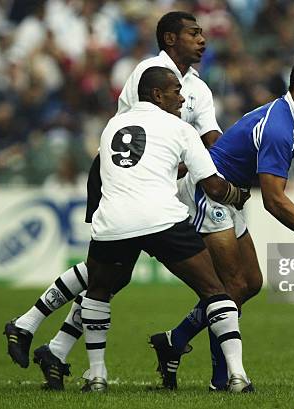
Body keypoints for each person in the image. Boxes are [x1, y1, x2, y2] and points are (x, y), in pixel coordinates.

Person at [3, 11, 221, 390]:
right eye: (193, 33)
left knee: (109, 276)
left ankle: (44, 339)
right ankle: (31, 327)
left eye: (202, 33)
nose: (202, 39)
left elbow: (211, 138)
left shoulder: (198, 89)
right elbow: (141, 132)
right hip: (119, 172)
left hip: (151, 182)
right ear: (170, 39)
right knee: (104, 272)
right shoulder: (149, 71)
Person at [153, 57, 294, 391]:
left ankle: (175, 339)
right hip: (208, 191)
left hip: (232, 196)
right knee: (230, 285)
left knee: (249, 284)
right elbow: (274, 200)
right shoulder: (277, 127)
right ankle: (226, 379)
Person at [77, 66, 252, 392]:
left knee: (98, 293)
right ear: (157, 94)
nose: (182, 96)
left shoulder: (112, 125)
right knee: (215, 290)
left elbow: (100, 175)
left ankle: (97, 375)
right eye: (175, 90)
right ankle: (238, 375)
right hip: (162, 220)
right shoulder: (179, 127)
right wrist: (238, 194)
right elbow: (213, 186)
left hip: (113, 222)